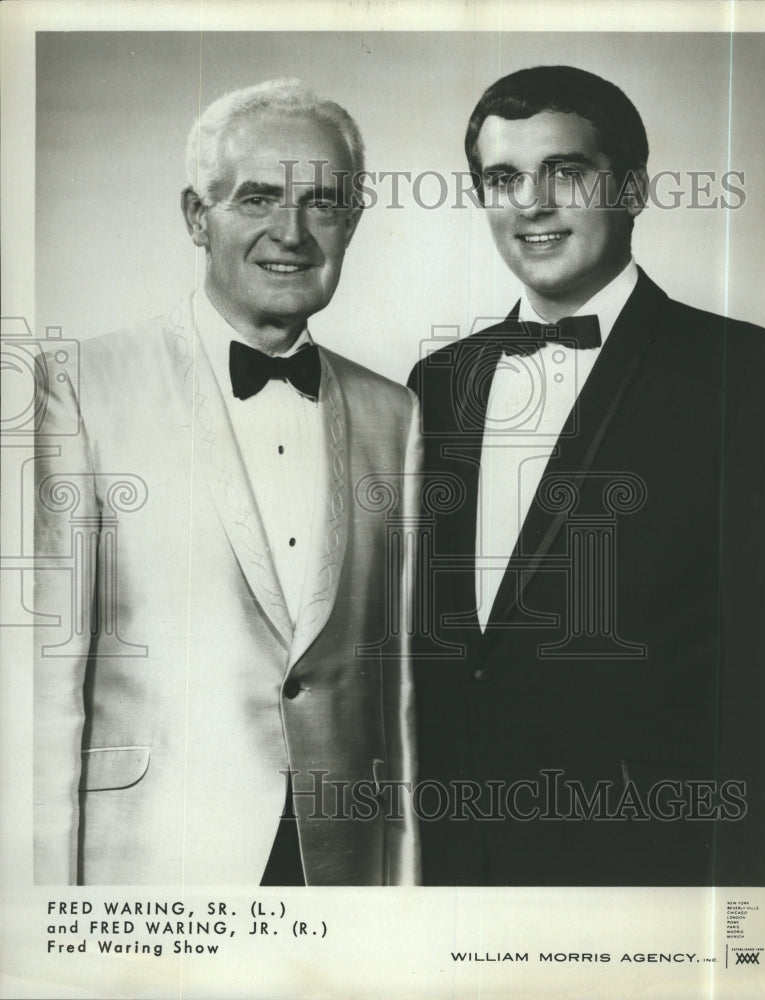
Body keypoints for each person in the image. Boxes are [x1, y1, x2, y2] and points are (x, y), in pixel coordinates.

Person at [33, 79, 419, 886]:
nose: (292, 232)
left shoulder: (398, 412)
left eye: (322, 202)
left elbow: (402, 688)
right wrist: (32, 903)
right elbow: (38, 677)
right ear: (194, 217)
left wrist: (404, 885)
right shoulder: (74, 387)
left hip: (343, 861)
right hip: (150, 857)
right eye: (258, 199)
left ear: (352, 221)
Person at [408, 65, 765, 886]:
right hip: (453, 862)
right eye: (502, 179)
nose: (531, 204)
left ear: (634, 188)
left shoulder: (748, 375)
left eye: (565, 171)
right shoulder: (434, 384)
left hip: (650, 863)